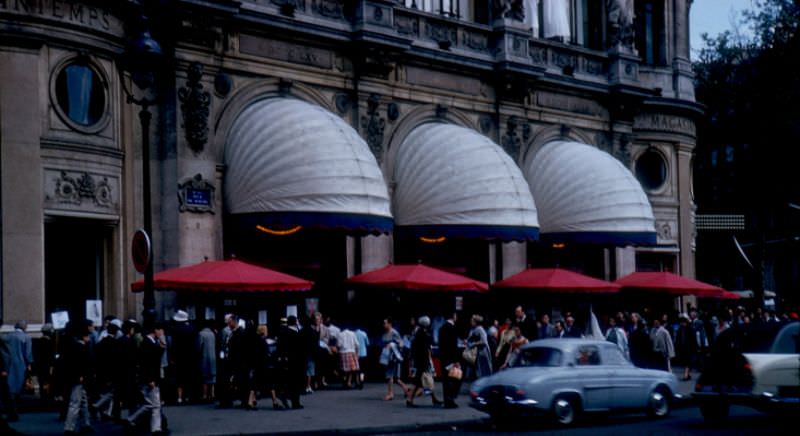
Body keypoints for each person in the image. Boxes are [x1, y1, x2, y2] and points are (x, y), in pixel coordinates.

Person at [127, 322, 166, 434]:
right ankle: (154, 427)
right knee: (153, 404)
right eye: (161, 330)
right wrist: (151, 379)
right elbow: (148, 363)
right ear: (156, 330)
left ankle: (155, 428)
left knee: (152, 404)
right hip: (150, 377)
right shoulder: (148, 343)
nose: (162, 333)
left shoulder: (151, 342)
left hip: (150, 377)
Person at [62, 321, 93, 435]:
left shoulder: (74, 345)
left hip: (77, 377)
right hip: (79, 377)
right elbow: (81, 363)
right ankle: (69, 427)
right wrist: (80, 376)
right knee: (75, 402)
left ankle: (86, 423)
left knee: (83, 401)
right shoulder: (80, 347)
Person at [405, 316, 442, 408]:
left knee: (420, 382)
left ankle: (432, 399)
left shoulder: (418, 333)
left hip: (419, 361)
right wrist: (427, 362)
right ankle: (410, 399)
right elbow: (425, 350)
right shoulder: (424, 334)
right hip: (423, 362)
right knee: (426, 381)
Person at [2, 320, 33, 414]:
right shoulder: (26, 337)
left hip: (9, 362)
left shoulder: (8, 336)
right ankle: (17, 404)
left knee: (11, 382)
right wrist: (29, 363)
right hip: (21, 362)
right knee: (20, 382)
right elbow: (27, 353)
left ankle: (12, 401)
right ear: (24, 327)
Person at [277, 315, 305, 409]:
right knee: (296, 382)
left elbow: (280, 346)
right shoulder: (296, 333)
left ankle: (288, 397)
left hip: (287, 360)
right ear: (295, 322)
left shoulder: (283, 332)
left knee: (289, 381)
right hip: (296, 360)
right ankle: (295, 401)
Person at [170, 310, 196, 404]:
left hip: (179, 356)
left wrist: (172, 357)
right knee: (189, 376)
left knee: (179, 377)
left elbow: (174, 345)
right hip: (190, 356)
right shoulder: (192, 328)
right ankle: (188, 396)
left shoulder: (176, 329)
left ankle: (179, 397)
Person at [380, 317, 409, 401]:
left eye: (385, 323)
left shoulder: (394, 333)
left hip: (393, 356)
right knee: (395, 378)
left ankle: (390, 393)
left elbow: (401, 344)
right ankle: (406, 389)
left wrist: (392, 344)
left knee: (389, 375)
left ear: (390, 324)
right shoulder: (385, 333)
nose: (384, 325)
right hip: (386, 355)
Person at [437, 312, 461, 409]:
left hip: (444, 358)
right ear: (453, 316)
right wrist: (456, 360)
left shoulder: (442, 328)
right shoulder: (453, 328)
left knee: (446, 380)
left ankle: (447, 399)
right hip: (451, 358)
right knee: (453, 379)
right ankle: (450, 400)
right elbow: (453, 346)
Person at [196, 319, 216, 403]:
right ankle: (211, 394)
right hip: (213, 357)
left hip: (204, 357)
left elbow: (199, 346)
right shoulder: (212, 334)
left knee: (204, 378)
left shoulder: (201, 334)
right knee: (212, 377)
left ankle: (204, 395)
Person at [674, 314, 697, 381]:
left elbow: (693, 339)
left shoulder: (690, 329)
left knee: (687, 362)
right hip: (682, 348)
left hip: (689, 348)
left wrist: (695, 348)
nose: (682, 324)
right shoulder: (680, 330)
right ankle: (688, 374)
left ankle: (686, 375)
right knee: (686, 362)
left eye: (683, 322)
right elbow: (678, 340)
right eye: (681, 322)